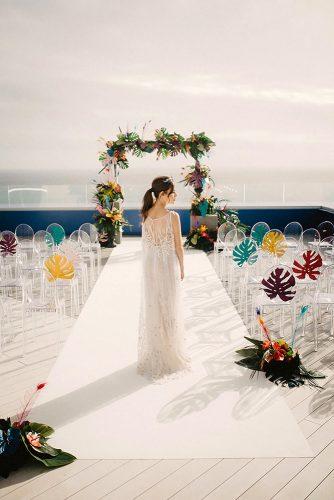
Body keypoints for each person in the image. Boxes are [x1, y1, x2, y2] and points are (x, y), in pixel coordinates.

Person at [137, 176, 192, 383]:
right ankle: (169, 348)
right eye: (171, 194)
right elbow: (178, 246)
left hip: (151, 266)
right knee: (169, 305)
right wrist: (183, 266)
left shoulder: (146, 215)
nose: (173, 197)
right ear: (161, 195)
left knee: (155, 306)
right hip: (167, 265)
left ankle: (157, 347)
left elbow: (145, 247)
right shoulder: (173, 217)